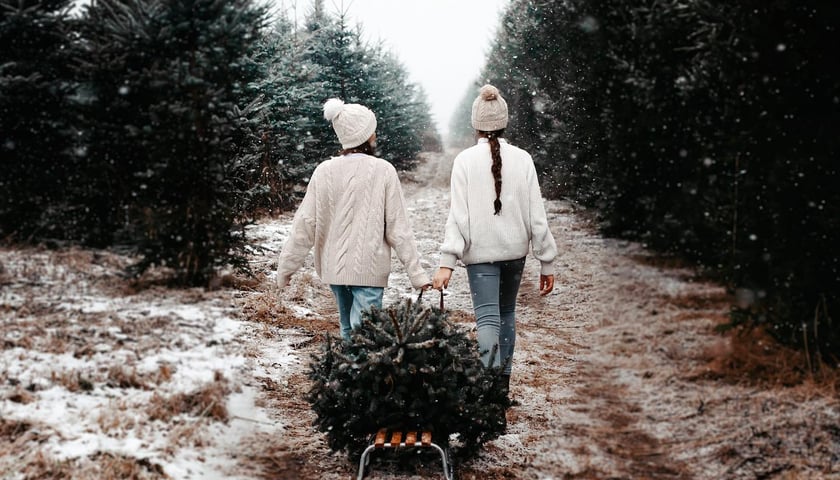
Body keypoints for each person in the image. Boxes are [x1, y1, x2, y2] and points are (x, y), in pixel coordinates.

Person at [432, 84, 558, 397]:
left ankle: (487, 394)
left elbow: (458, 215)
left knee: (487, 319)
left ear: (476, 125)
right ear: (504, 122)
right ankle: (501, 389)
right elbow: (536, 215)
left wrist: (448, 260)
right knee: (506, 316)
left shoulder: (464, 161)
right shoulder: (523, 159)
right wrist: (546, 260)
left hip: (479, 255)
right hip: (515, 252)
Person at [276, 98, 431, 340]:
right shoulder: (383, 170)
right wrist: (417, 274)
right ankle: (359, 376)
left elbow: (305, 224)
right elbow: (398, 229)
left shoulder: (324, 171)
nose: (375, 135)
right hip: (368, 268)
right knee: (365, 335)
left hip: (334, 268)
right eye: (373, 131)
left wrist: (286, 268)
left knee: (349, 330)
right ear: (366, 136)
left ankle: (349, 373)